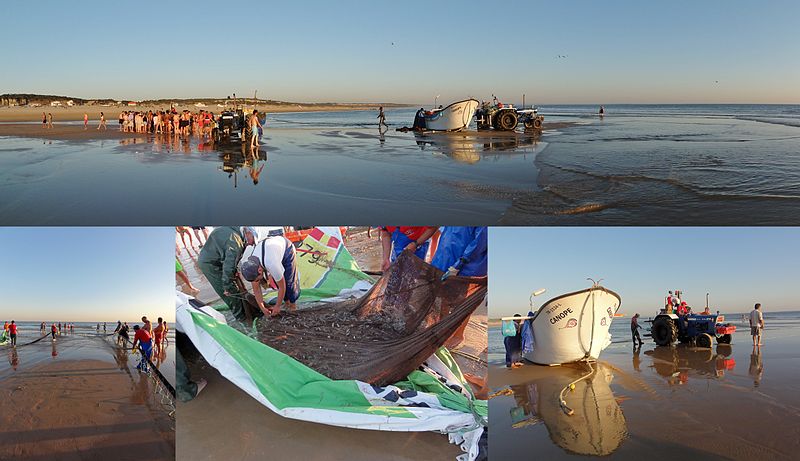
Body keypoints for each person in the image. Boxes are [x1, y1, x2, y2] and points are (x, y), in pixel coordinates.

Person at [239, 234, 301, 317]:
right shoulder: (251, 266)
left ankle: (293, 306)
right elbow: (256, 290)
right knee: (277, 282)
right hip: (271, 250)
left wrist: (277, 306)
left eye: (257, 280)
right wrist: (263, 308)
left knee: (289, 283)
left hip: (286, 248)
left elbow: (282, 287)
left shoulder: (272, 264)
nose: (257, 282)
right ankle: (286, 303)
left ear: (260, 270)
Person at [197, 227, 247, 321]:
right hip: (210, 264)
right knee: (231, 294)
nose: (251, 244)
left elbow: (230, 259)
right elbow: (228, 266)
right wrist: (227, 287)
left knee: (234, 289)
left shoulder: (234, 231)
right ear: (248, 233)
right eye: (253, 240)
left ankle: (243, 312)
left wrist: (235, 271)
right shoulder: (236, 241)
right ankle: (242, 321)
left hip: (216, 258)